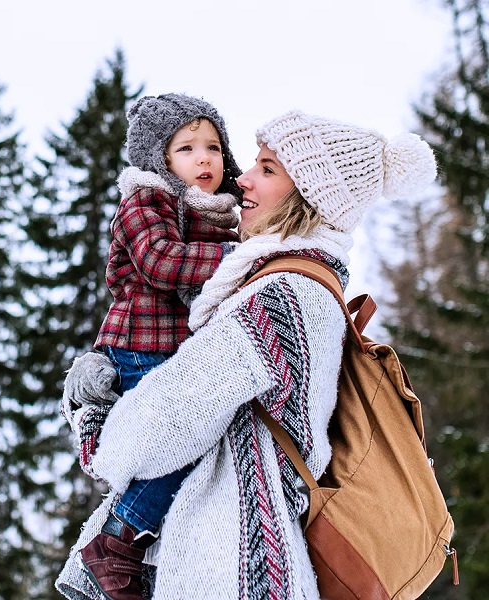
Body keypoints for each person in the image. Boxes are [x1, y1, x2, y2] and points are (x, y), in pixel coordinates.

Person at [57, 110, 438, 600]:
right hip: (264, 558)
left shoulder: (276, 295)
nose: (243, 178)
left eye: (267, 168)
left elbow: (151, 431)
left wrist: (94, 408)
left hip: (232, 565)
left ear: (309, 195)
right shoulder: (313, 289)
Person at [71, 93, 243, 599]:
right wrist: (238, 260)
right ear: (159, 158)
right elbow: (161, 262)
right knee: (178, 441)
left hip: (181, 349)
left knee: (197, 447)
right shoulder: (145, 200)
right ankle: (117, 539)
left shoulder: (216, 213)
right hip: (143, 344)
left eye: (213, 145)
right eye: (186, 148)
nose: (205, 158)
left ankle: (157, 552)